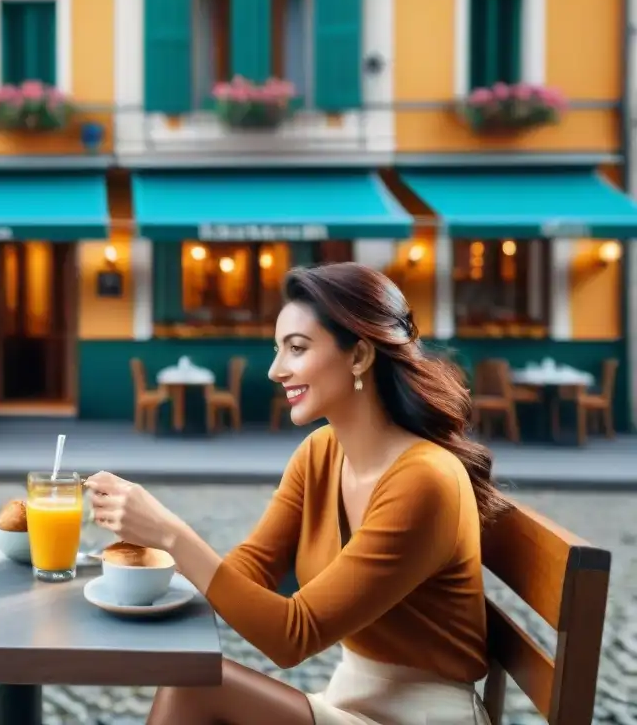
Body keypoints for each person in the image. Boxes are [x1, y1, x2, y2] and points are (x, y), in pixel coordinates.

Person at [87, 262, 505, 725]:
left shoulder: (425, 480)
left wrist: (170, 534)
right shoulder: (321, 452)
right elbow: (253, 566)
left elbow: (293, 636)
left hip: (423, 716)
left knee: (195, 692)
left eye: (297, 349)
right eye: (277, 350)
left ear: (360, 356)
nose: (275, 370)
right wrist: (140, 571)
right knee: (193, 688)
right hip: (349, 702)